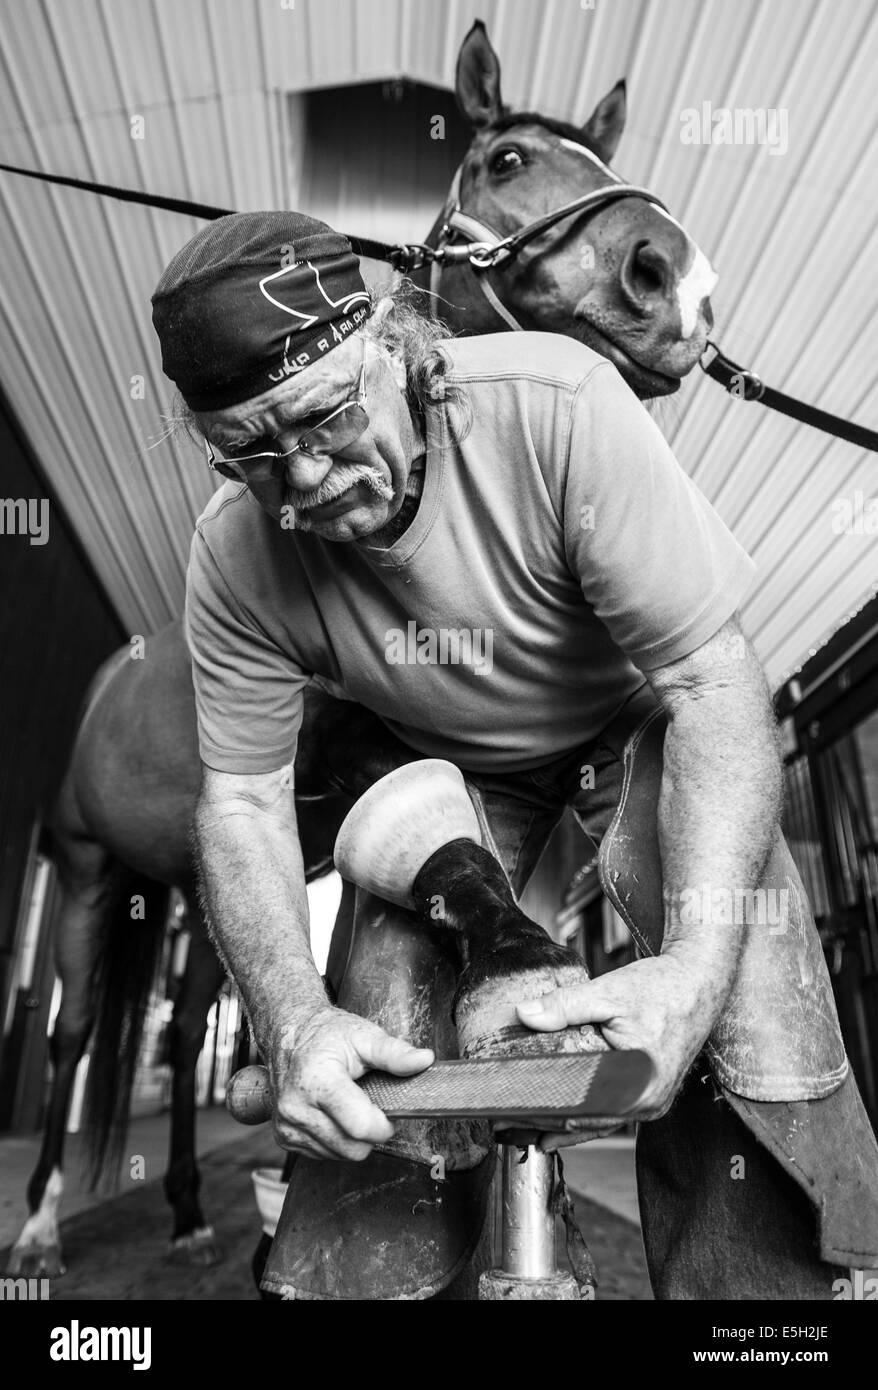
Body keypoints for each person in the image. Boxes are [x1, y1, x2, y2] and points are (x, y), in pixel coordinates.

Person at [152, 210, 878, 1299]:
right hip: (446, 768)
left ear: (397, 343)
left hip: (632, 720)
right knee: (382, 987)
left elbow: (714, 690)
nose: (300, 480)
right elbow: (244, 806)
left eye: (319, 417)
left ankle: (759, 1313)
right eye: (251, 452)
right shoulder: (232, 554)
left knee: (740, 957)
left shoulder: (556, 407)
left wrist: (687, 971)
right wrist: (291, 1019)